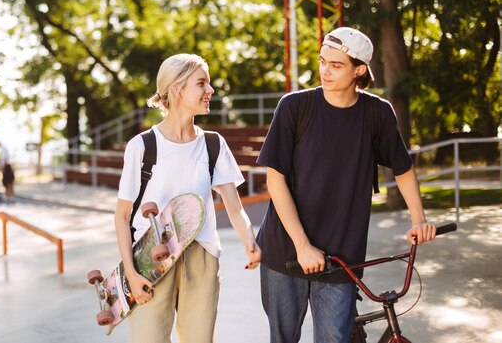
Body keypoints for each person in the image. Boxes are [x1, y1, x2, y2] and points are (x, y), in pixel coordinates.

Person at [256, 27, 437, 343]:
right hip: (285, 252)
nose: (324, 70)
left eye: (336, 65)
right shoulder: (294, 107)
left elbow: (403, 169)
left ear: (359, 70)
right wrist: (302, 245)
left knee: (335, 338)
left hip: (342, 259)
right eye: (322, 61)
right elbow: (276, 180)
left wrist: (418, 219)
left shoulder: (376, 114)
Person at [115, 53, 262, 343]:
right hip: (150, 260)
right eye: (202, 83)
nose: (211, 90)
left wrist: (250, 241)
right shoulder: (142, 146)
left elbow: (234, 207)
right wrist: (131, 274)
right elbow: (121, 216)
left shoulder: (213, 144)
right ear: (178, 89)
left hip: (201, 258)